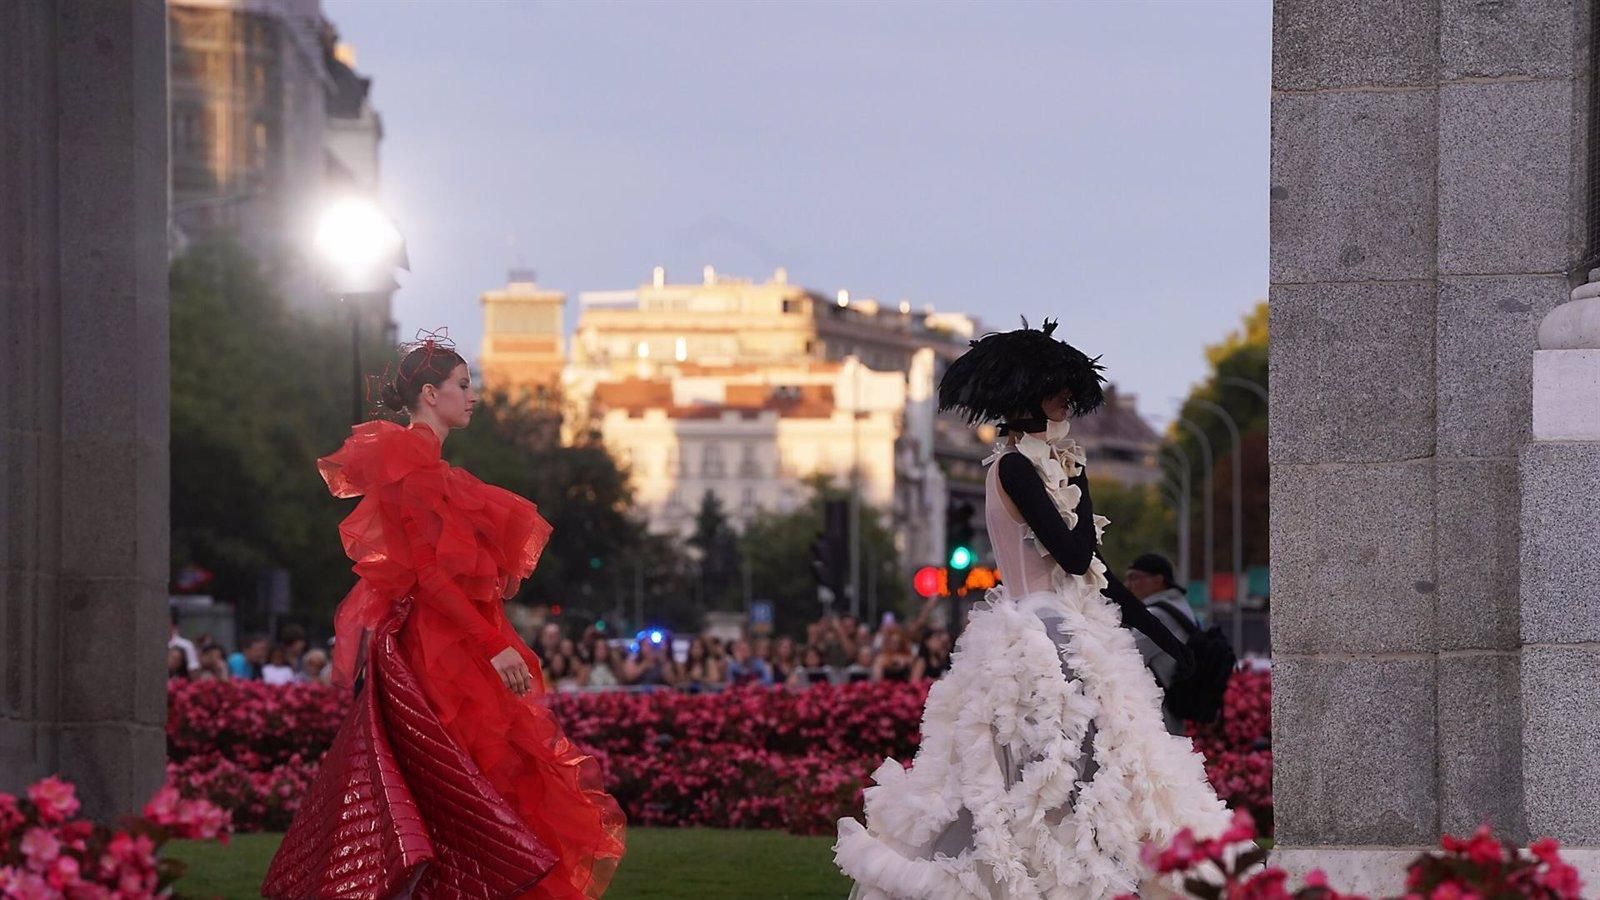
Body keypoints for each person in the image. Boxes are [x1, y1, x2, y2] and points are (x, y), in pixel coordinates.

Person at [835, 320, 1227, 899]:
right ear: (1029, 396)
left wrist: (1176, 644)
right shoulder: (1015, 467)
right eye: (1056, 390)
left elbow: (1100, 578)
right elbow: (1074, 558)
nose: (1066, 400)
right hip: (1037, 639)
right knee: (1034, 779)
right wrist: (1082, 484)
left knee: (1101, 769)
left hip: (1074, 631)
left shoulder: (1049, 463)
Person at [264, 331, 623, 899]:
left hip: (439, 643)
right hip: (440, 651)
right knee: (461, 786)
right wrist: (492, 643)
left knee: (447, 791)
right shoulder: (415, 464)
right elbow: (429, 576)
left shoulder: (422, 463)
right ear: (430, 394)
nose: (472, 396)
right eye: (462, 385)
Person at [1124, 553, 1198, 735]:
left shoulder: (1158, 615)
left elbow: (1126, 656)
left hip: (1160, 714)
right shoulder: (1180, 606)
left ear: (1158, 580)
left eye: (1134, 577)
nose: (1128, 585)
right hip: (1175, 705)